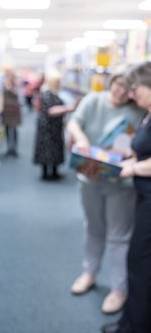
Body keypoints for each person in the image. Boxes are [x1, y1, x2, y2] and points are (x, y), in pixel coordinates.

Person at [67, 70, 146, 314]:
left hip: (121, 184)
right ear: (111, 82)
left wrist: (131, 157)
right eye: (117, 85)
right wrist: (80, 139)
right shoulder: (93, 100)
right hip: (89, 177)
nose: (120, 92)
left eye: (127, 88)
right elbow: (74, 122)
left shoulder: (140, 110)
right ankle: (89, 273)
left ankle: (118, 289)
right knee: (93, 228)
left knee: (118, 236)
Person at [102, 62, 151, 333]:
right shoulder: (146, 114)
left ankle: (136, 326)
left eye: (136, 88)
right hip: (143, 196)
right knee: (138, 261)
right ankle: (130, 322)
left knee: (140, 262)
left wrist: (132, 168)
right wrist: (127, 158)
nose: (132, 94)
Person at [33, 70, 74, 180]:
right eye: (57, 81)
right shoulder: (46, 93)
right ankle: (46, 173)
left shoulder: (55, 92)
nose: (59, 83)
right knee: (47, 149)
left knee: (55, 149)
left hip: (55, 126)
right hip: (47, 127)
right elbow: (50, 111)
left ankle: (55, 171)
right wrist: (68, 108)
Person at [2, 70, 21, 157]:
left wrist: (9, 87)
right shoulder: (4, 83)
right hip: (6, 110)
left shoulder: (16, 84)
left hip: (14, 110)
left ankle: (14, 149)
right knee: (7, 129)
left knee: (13, 130)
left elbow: (17, 94)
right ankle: (8, 148)